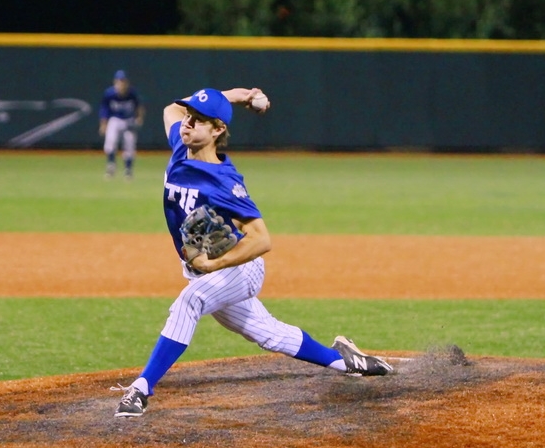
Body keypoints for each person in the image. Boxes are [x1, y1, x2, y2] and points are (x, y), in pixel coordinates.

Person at [113, 86, 393, 418]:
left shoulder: (225, 180)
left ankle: (141, 389)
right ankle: (347, 361)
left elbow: (261, 239)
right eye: (189, 117)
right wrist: (237, 95)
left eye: (198, 120)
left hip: (240, 269)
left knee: (190, 301)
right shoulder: (180, 147)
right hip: (208, 272)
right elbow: (169, 111)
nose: (187, 123)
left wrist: (215, 262)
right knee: (269, 334)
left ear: (217, 130)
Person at [99, 70, 144, 179]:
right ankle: (111, 166)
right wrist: (103, 124)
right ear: (115, 82)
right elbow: (104, 110)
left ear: (127, 82)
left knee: (129, 145)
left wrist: (139, 117)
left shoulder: (132, 93)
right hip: (115, 120)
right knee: (111, 142)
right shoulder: (109, 94)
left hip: (129, 121)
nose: (121, 83)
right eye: (119, 81)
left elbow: (139, 106)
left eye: (123, 81)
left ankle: (128, 170)